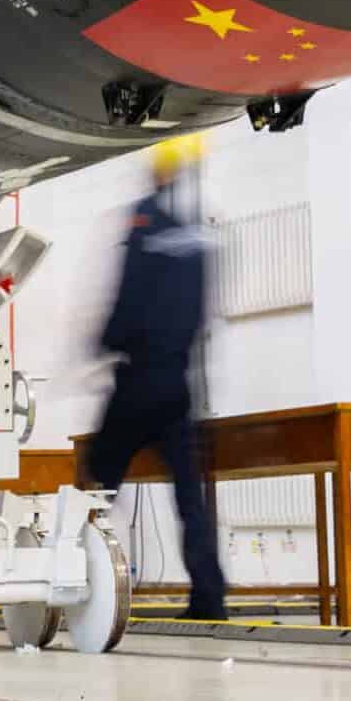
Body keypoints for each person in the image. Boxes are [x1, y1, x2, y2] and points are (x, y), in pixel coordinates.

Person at [85, 134, 228, 620]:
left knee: (98, 480)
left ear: (158, 171)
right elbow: (200, 312)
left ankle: (78, 576)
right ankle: (209, 596)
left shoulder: (145, 219)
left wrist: (104, 341)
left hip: (139, 380)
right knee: (189, 496)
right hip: (179, 383)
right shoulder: (198, 234)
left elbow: (128, 292)